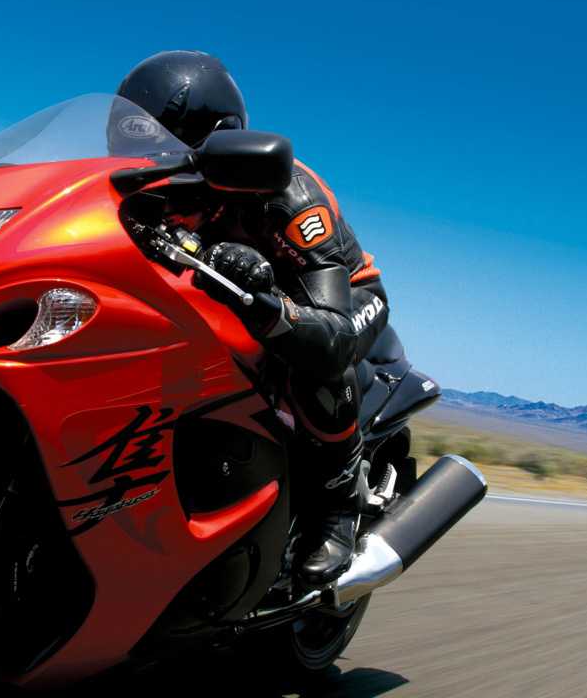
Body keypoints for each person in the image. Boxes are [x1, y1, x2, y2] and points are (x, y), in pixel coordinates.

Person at [116, 51, 391, 587]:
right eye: (132, 141)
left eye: (159, 141)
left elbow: (332, 330)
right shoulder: (154, 187)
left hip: (339, 303)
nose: (145, 156)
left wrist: (266, 300)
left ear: (217, 140)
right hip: (235, 294)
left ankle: (338, 503)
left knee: (308, 358)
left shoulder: (286, 197)